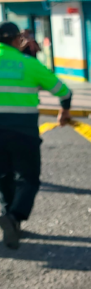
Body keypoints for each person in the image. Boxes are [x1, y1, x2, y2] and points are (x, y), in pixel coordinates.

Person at [0, 21, 72, 249]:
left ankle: (9, 218)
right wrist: (64, 111)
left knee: (4, 177)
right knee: (28, 178)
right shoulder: (29, 64)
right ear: (16, 40)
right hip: (24, 131)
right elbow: (63, 91)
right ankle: (14, 217)